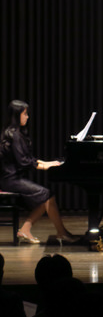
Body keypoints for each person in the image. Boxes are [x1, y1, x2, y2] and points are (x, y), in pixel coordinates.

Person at [0, 100, 77, 244]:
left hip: (13, 178)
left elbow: (29, 158)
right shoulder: (14, 135)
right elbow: (23, 162)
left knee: (46, 196)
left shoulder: (15, 133)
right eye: (24, 114)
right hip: (10, 180)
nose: (27, 117)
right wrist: (43, 166)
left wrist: (48, 163)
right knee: (46, 195)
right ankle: (61, 233)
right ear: (16, 115)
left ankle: (26, 230)